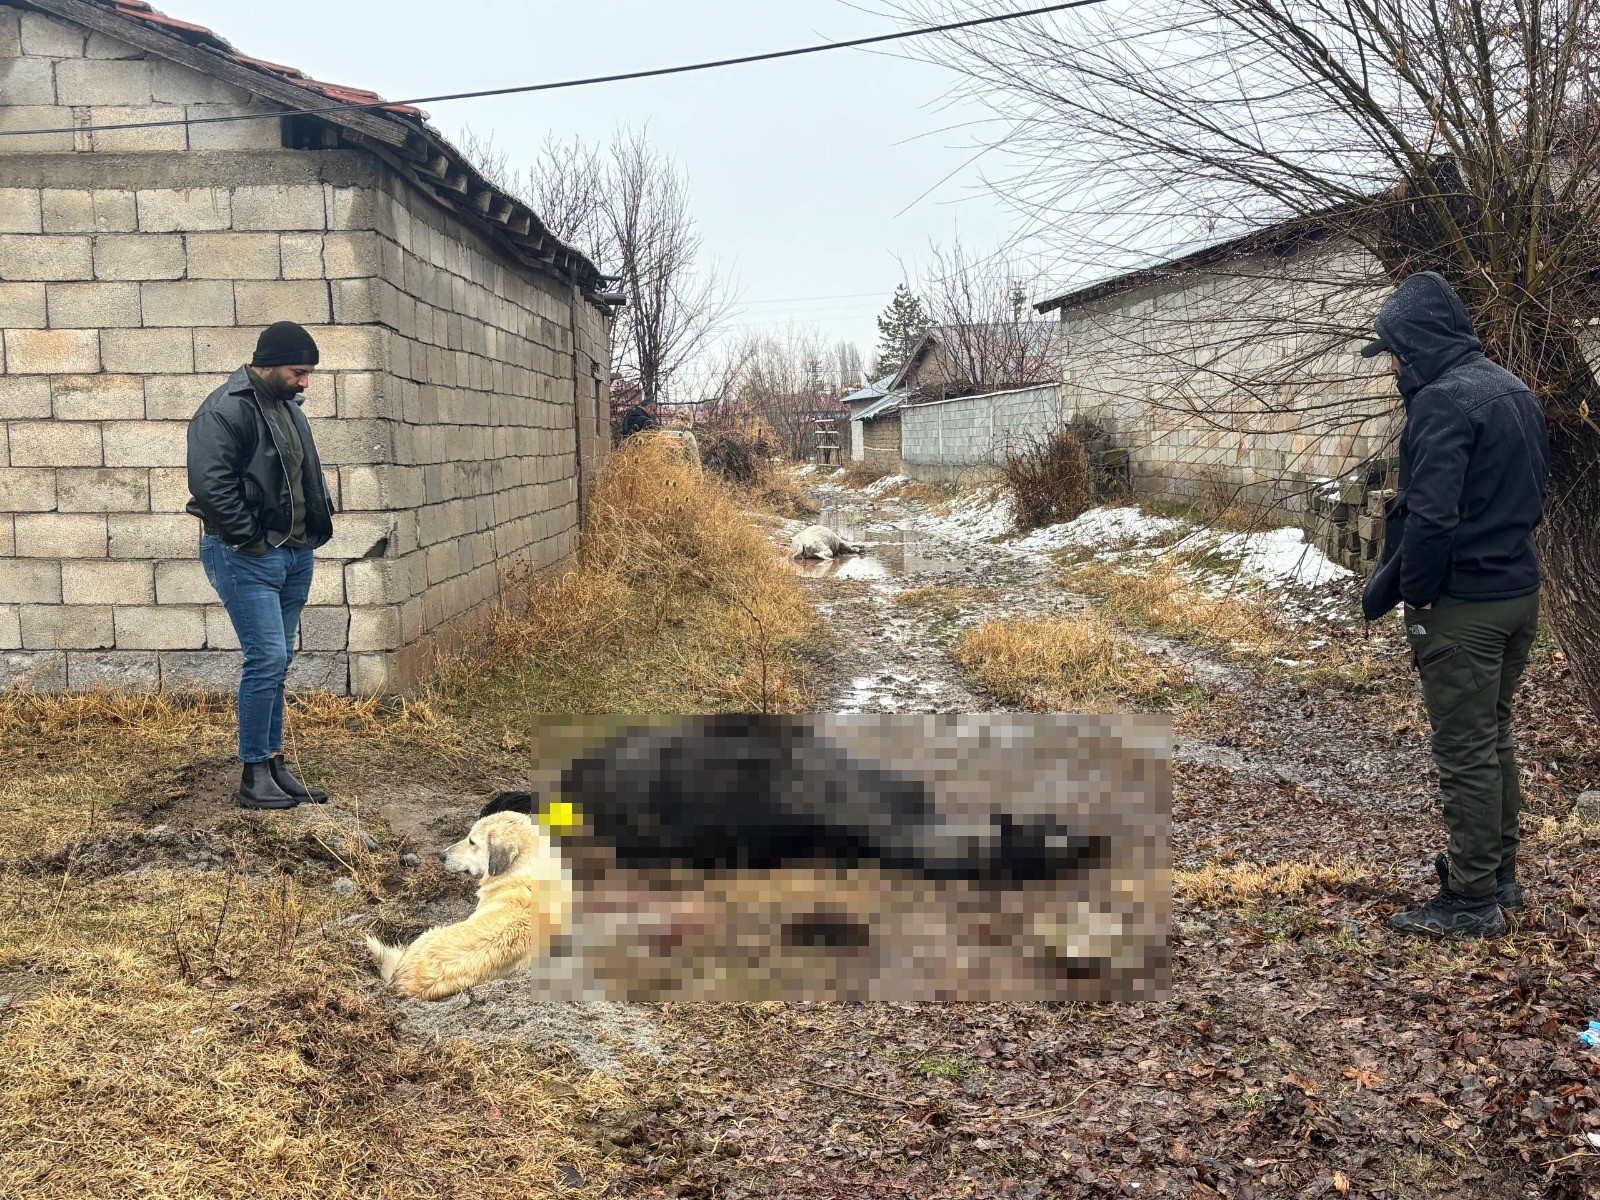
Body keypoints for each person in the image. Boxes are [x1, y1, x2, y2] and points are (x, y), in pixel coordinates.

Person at [1359, 272, 1550, 938]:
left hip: (1464, 606)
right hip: (1518, 594)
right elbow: (1534, 493)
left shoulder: (1443, 403)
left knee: (1466, 751)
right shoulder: (1513, 389)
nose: (1391, 366)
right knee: (1492, 739)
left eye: (1394, 351)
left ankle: (1471, 901)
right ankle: (1496, 876)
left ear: (1417, 340)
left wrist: (1420, 596)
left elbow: (1432, 518)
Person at [187, 321, 337, 810]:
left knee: (280, 661)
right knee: (267, 658)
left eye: (309, 373)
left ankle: (274, 764)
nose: (305, 382)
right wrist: (251, 539)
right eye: (298, 371)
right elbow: (211, 486)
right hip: (245, 556)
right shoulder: (224, 409)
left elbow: (301, 475)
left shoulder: (286, 407)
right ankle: (253, 774)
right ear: (268, 363)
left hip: (295, 554)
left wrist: (310, 533)